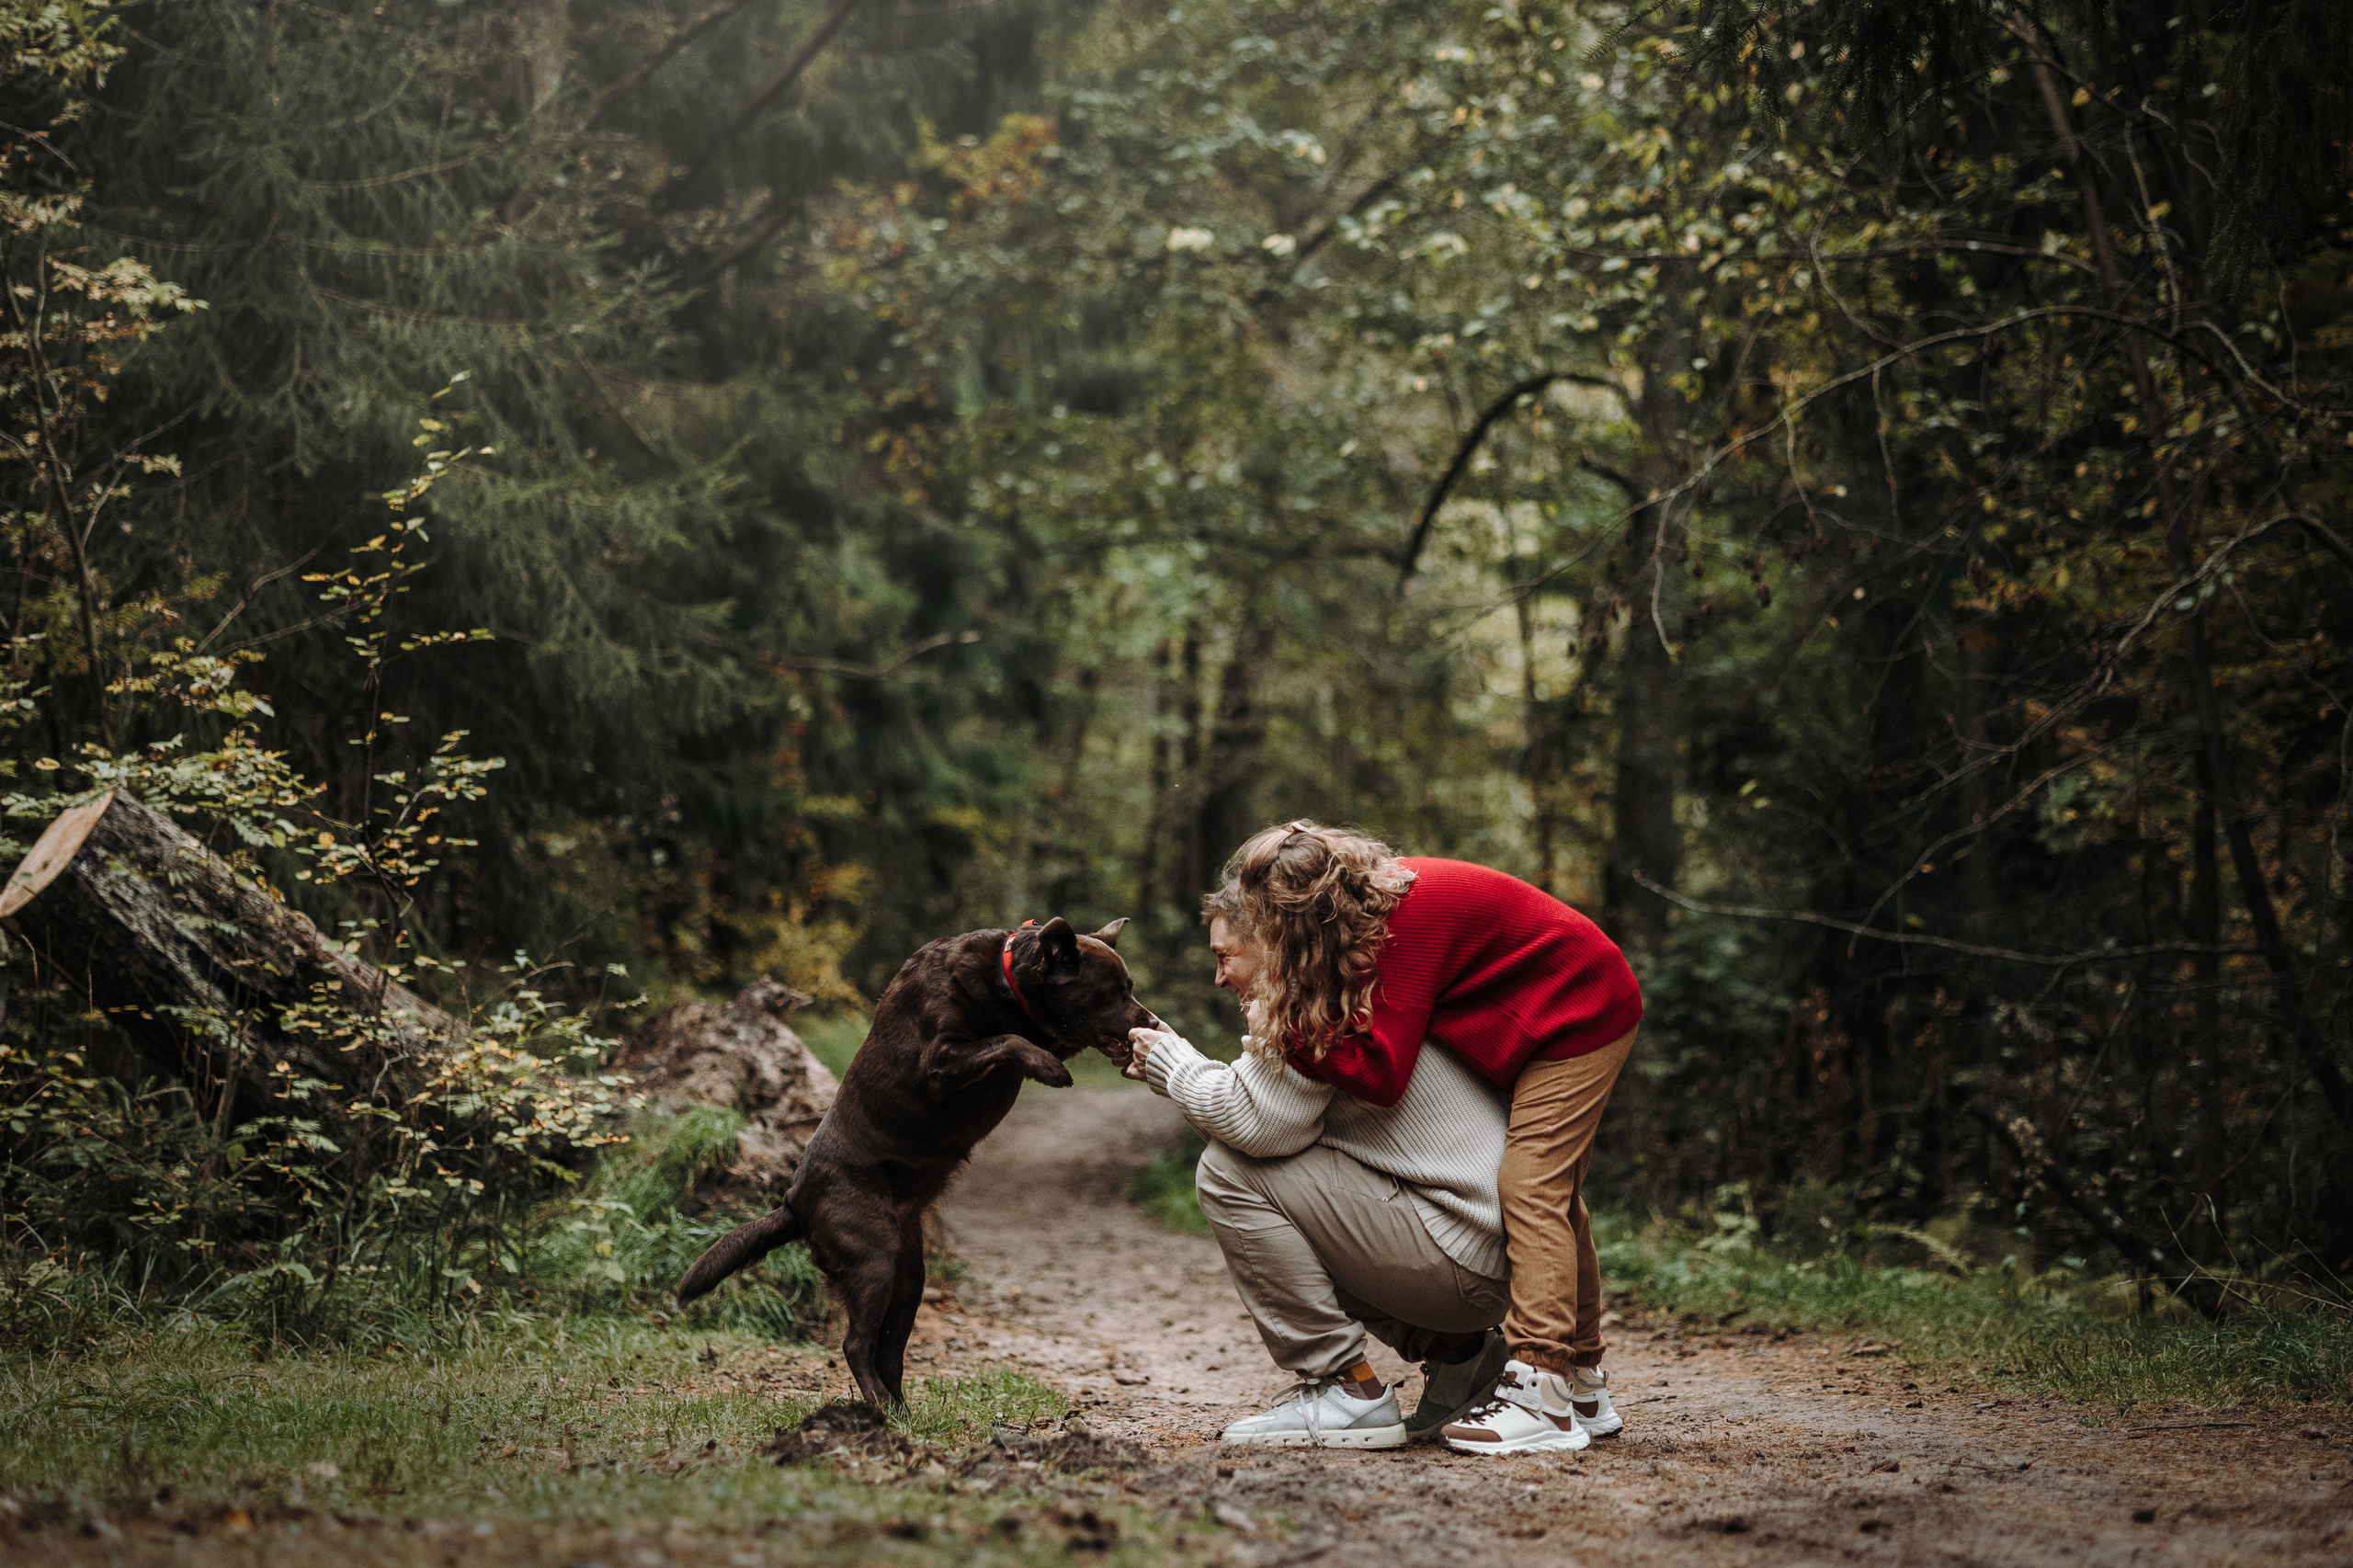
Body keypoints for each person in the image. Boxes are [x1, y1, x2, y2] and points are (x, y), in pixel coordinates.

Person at [1208, 820, 1643, 1456]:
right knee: (1557, 1196)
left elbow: (1380, 1072)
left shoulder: (1402, 925)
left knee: (1533, 1184)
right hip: (1529, 1020)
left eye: (1273, 929)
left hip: (1579, 1011)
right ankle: (1583, 1384)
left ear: (1304, 916)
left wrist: (1282, 1027)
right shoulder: (1372, 913)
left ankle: (1543, 1389)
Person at [1122, 884, 1519, 1449]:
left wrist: (1175, 1063)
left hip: (1457, 1257)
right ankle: (1463, 1359)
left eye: (1223, 955)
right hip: (1479, 1249)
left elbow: (1255, 1133)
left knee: (1225, 1174)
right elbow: (1260, 1118)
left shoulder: (1305, 1003)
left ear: (1271, 940)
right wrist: (1178, 1070)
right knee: (1256, 1174)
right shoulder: (1349, 983)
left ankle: (1346, 1389)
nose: (1218, 976)